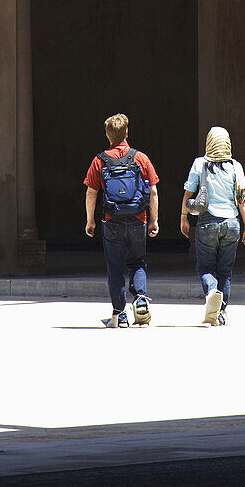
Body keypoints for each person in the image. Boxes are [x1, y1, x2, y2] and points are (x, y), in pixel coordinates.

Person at [84, 113, 159, 328]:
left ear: (108, 135)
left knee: (115, 267)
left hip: (111, 220)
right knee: (137, 262)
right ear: (127, 133)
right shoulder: (141, 158)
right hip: (138, 218)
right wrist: (154, 220)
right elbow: (153, 191)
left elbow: (91, 193)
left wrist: (90, 221)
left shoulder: (100, 160)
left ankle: (120, 314)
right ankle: (141, 300)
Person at [180, 126, 245, 326]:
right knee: (225, 270)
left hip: (207, 223)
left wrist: (184, 217)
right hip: (232, 224)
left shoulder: (199, 164)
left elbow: (188, 193)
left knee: (205, 267)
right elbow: (242, 200)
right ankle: (221, 312)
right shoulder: (236, 167)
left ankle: (212, 291)